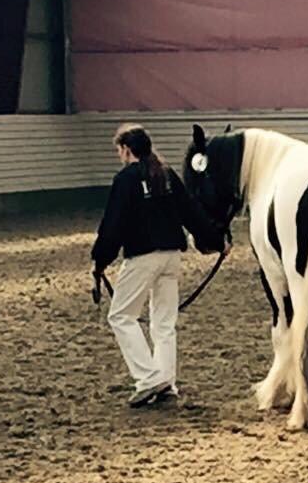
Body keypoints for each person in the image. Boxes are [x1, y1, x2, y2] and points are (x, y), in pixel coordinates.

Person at [91, 124, 229, 408]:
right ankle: (166, 381)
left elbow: (113, 224)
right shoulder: (165, 175)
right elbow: (191, 211)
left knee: (120, 316)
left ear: (126, 150)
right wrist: (216, 240)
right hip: (171, 255)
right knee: (164, 323)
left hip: (143, 256)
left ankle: (149, 378)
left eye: (119, 150)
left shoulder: (126, 179)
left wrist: (101, 259)